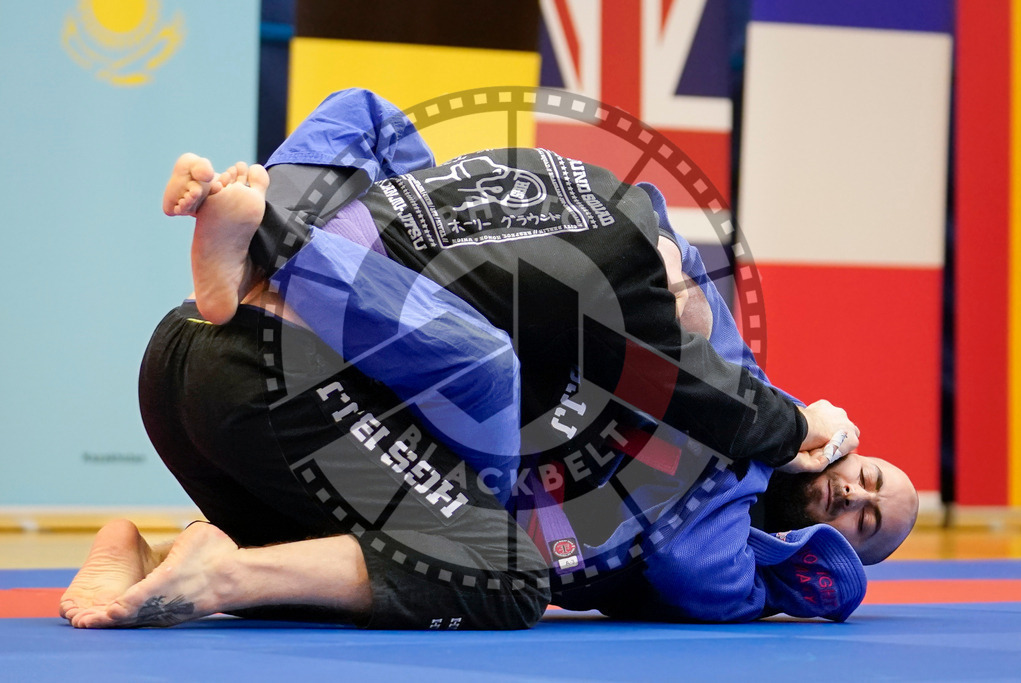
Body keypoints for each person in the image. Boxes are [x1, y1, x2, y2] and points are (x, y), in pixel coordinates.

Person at [61, 89, 916, 630]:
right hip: (273, 373)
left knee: (436, 470)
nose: (856, 494)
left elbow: (706, 571)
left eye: (865, 522)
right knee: (507, 563)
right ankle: (224, 562)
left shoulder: (725, 527)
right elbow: (673, 293)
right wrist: (784, 420)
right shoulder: (719, 368)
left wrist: (799, 555)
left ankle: (163, 550)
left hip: (217, 381)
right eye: (871, 476)